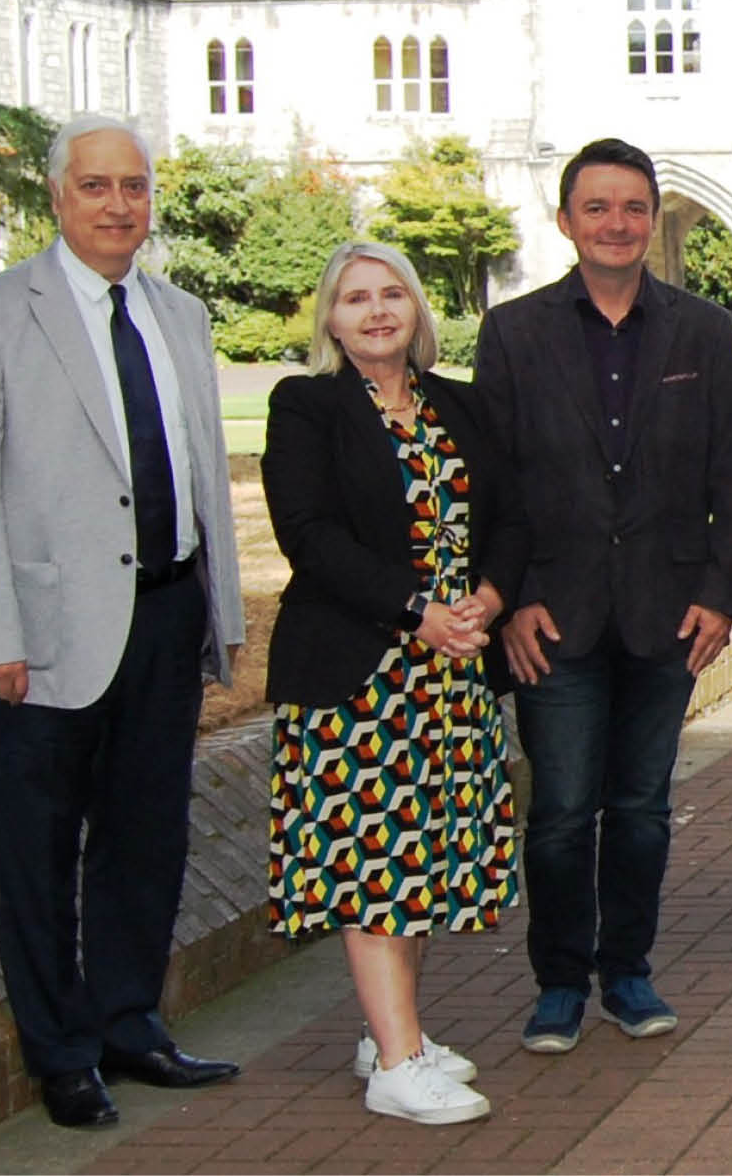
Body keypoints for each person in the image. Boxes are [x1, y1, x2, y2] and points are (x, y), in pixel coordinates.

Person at [0, 113, 247, 1129]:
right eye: (97, 185)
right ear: (57, 196)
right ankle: (61, 1051)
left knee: (146, 836)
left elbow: (201, 471)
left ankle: (127, 1023)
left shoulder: (179, 314)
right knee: (37, 849)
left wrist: (219, 616)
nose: (119, 205)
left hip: (165, 614)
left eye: (135, 186)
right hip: (41, 635)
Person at [471, 136, 732, 1054]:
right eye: (596, 207)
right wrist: (510, 598)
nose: (617, 223)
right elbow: (492, 482)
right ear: (565, 220)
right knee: (559, 810)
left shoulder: (700, 329)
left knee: (639, 806)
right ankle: (559, 981)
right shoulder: (514, 332)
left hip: (665, 611)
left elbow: (728, 469)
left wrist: (722, 593)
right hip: (551, 614)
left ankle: (627, 972)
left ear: (653, 217)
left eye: (634, 206)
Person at [262, 242, 519, 1123]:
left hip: (450, 676)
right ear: (330, 319)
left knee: (421, 859)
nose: (376, 311)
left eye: (391, 294)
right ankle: (399, 1065)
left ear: (416, 308)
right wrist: (418, 613)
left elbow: (512, 518)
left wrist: (487, 599)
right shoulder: (307, 406)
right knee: (373, 863)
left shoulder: (460, 405)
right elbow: (309, 534)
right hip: (358, 676)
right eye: (355, 297)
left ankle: (389, 1033)